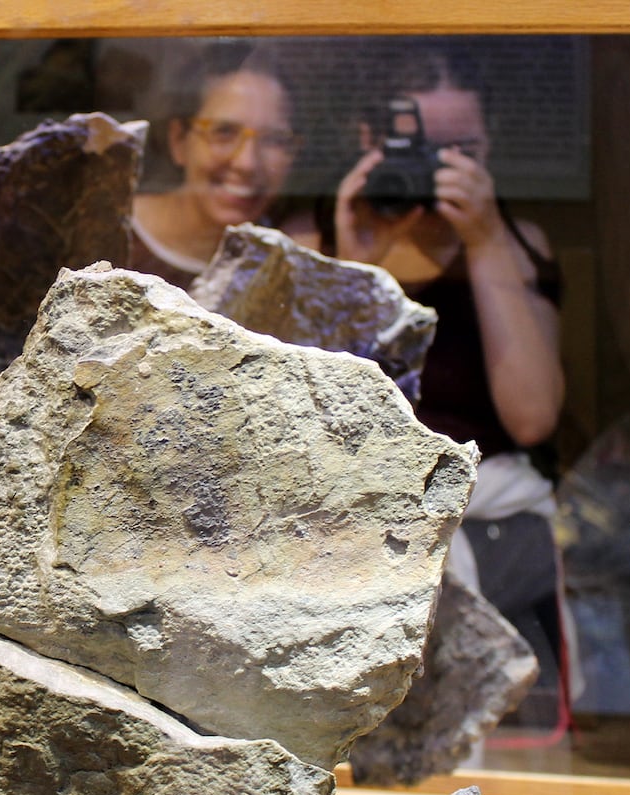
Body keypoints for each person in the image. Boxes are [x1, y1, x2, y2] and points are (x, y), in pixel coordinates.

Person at [285, 43, 572, 732]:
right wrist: (353, 268)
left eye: (461, 148)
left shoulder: (516, 241)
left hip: (499, 548)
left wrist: (485, 242)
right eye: (420, 146)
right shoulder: (310, 238)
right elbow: (294, 420)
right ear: (368, 142)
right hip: (347, 548)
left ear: (490, 144)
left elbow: (532, 417)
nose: (439, 168)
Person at [130, 44, 302, 289]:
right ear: (179, 140)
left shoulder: (287, 258)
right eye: (224, 132)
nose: (247, 163)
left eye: (274, 139)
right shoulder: (110, 233)